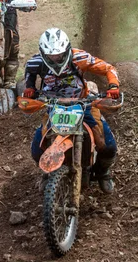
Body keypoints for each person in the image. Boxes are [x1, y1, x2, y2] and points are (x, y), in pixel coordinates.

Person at [23, 28, 121, 194]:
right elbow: (29, 78)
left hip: (83, 103)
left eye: (59, 54)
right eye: (51, 55)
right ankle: (48, 173)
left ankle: (103, 173)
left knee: (108, 145)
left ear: (67, 50)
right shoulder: (35, 63)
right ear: (43, 53)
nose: (55, 58)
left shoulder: (79, 57)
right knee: (37, 150)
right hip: (54, 106)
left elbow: (107, 68)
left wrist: (113, 85)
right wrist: (30, 89)